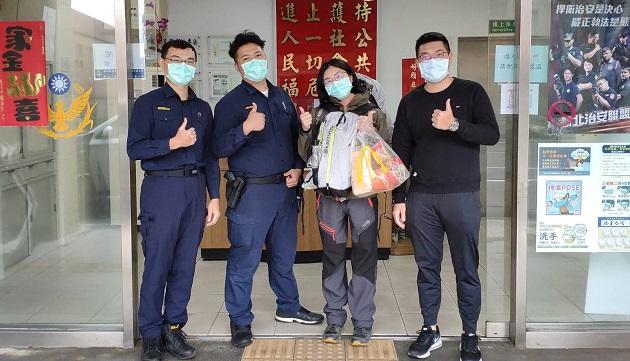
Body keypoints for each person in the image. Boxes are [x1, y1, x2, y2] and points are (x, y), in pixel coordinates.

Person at [391, 32, 500, 361]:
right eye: (425, 56)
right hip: (422, 197)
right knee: (427, 268)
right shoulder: (410, 101)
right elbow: (400, 153)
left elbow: (491, 134)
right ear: (418, 61)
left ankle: (470, 333)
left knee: (466, 267)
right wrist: (399, 198)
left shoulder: (471, 92)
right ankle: (430, 329)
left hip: (462, 194)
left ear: (449, 56)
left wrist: (455, 125)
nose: (432, 60)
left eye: (438, 54)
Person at [212, 30, 324, 349]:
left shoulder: (281, 96)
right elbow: (217, 146)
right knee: (244, 257)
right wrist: (245, 128)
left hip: (284, 191)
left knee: (284, 255)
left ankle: (288, 307)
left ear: (266, 57)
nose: (254, 62)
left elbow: (293, 141)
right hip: (250, 194)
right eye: (246, 59)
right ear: (237, 67)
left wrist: (299, 164)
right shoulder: (231, 103)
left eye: (258, 55)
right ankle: (240, 320)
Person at [127, 39, 221, 361]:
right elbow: (135, 149)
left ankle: (173, 328)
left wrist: (215, 197)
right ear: (163, 64)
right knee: (157, 265)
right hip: (161, 191)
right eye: (177, 59)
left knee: (184, 266)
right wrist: (172, 142)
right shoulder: (148, 104)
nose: (184, 65)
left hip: (194, 192)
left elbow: (209, 156)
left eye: (190, 60)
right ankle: (151, 334)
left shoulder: (201, 108)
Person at [297, 59, 389, 347]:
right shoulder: (322, 112)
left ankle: (362, 322)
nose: (334, 82)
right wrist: (303, 130)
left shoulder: (373, 111)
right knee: (332, 259)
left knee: (364, 260)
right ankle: (335, 319)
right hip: (328, 200)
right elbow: (305, 154)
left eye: (339, 76)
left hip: (361, 199)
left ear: (351, 76)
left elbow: (386, 156)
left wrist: (370, 131)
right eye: (328, 80)